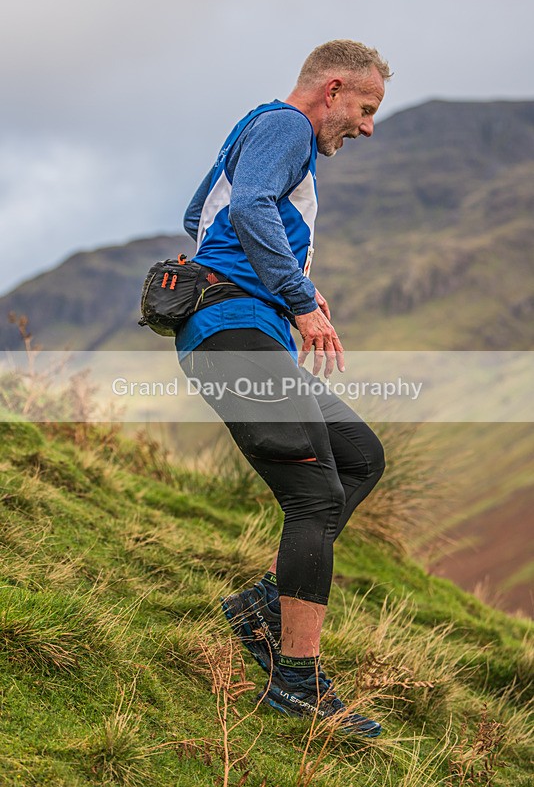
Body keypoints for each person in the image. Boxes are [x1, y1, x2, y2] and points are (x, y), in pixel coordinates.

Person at [176, 40, 391, 736]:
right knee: (315, 495)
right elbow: (248, 209)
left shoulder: (263, 128)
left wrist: (286, 281)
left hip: (247, 329)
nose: (366, 126)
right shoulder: (288, 125)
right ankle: (296, 681)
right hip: (233, 332)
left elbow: (199, 215)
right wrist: (297, 297)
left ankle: (265, 604)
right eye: (365, 108)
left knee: (359, 457)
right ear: (333, 90)